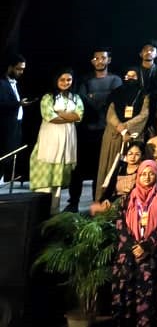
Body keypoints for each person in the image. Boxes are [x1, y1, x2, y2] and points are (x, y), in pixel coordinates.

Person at [110, 160, 157, 327]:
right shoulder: (128, 197)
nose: (147, 177)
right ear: (138, 175)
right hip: (128, 254)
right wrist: (133, 245)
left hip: (150, 253)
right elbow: (120, 223)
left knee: (147, 296)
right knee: (126, 294)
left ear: (156, 175)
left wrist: (146, 246)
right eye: (143, 174)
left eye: (151, 174)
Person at [69, 48, 121, 212]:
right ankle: (73, 203)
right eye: (96, 58)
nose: (100, 61)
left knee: (100, 168)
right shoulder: (84, 80)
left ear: (109, 60)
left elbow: (114, 101)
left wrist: (95, 99)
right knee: (77, 169)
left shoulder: (115, 80)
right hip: (85, 130)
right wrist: (99, 102)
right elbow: (81, 101)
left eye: (103, 58)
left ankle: (97, 202)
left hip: (105, 131)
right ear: (92, 61)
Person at [31, 69, 84, 212]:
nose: (66, 82)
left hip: (67, 140)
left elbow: (78, 116)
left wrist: (59, 113)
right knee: (46, 177)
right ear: (56, 80)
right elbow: (50, 117)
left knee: (58, 180)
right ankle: (40, 212)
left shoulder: (75, 98)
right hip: (50, 139)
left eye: (69, 80)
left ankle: (54, 211)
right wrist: (68, 116)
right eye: (62, 79)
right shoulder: (48, 97)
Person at [98, 68, 149, 186]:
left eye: (133, 76)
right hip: (114, 134)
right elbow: (110, 113)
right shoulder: (115, 93)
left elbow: (144, 114)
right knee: (109, 166)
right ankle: (105, 195)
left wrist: (126, 126)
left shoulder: (144, 94)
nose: (130, 78)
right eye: (128, 76)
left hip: (134, 135)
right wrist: (122, 129)